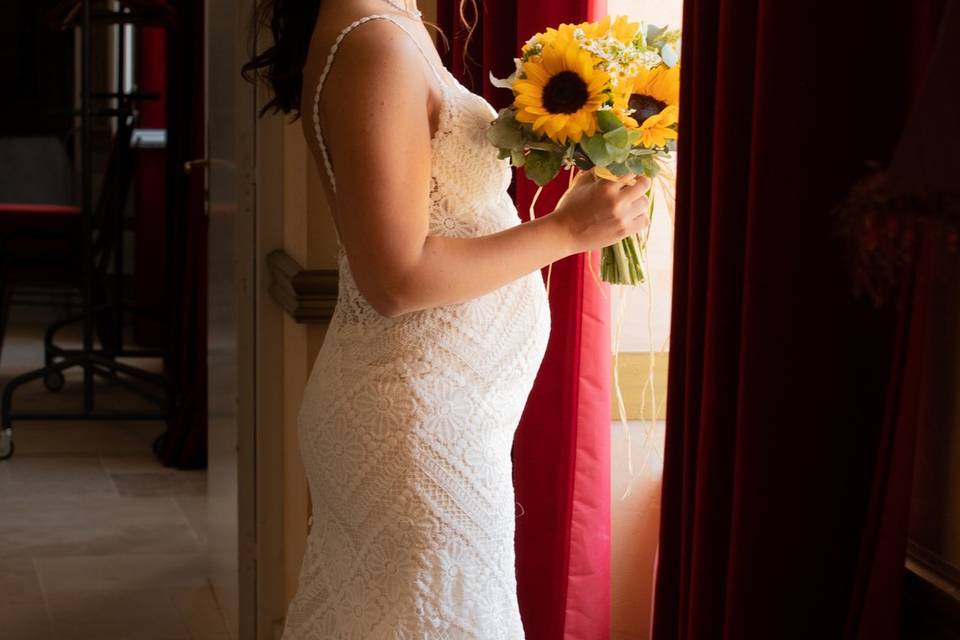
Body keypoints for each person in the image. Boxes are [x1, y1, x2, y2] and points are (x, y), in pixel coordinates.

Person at [243, 0, 651, 637]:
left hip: (443, 414)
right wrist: (569, 229)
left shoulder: (391, 21)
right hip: (414, 426)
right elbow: (396, 280)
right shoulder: (373, 43)